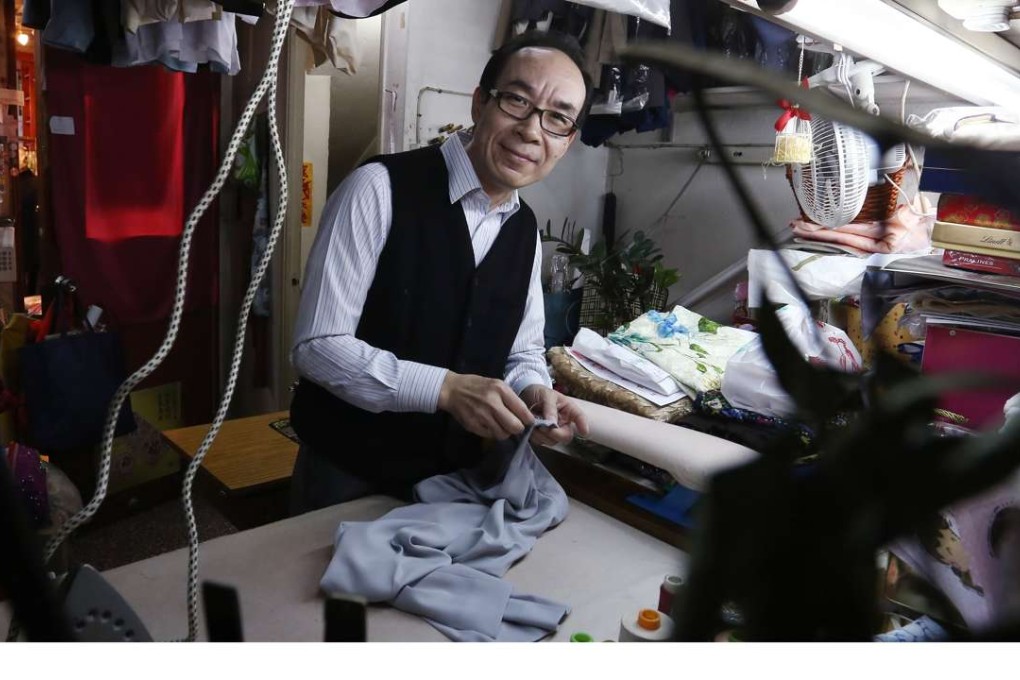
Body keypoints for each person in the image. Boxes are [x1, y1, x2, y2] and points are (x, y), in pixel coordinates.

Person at [289, 31, 592, 513]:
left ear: (568, 141)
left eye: (557, 118)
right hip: (348, 471)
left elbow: (522, 349)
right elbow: (318, 346)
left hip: (455, 482)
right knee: (323, 589)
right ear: (479, 103)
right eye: (517, 100)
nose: (532, 131)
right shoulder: (379, 188)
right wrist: (446, 390)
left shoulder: (525, 230)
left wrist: (533, 391)